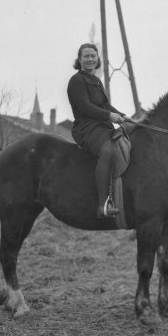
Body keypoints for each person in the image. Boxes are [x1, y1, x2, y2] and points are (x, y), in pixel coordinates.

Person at [67, 43, 126, 218]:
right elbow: (85, 107)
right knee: (108, 150)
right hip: (86, 128)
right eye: (86, 56)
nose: (90, 59)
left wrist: (123, 116)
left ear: (98, 58)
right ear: (80, 60)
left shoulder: (96, 80)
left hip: (101, 126)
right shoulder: (76, 81)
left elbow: (105, 105)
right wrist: (110, 116)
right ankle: (103, 204)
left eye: (93, 56)